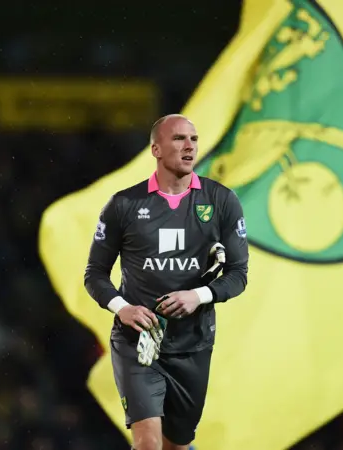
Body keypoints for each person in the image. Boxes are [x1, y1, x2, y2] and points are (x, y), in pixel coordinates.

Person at [84, 114, 249, 450]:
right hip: (139, 343)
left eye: (193, 138)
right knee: (148, 444)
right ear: (156, 149)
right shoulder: (125, 205)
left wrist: (199, 296)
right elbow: (95, 274)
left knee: (176, 445)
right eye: (178, 139)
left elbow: (238, 274)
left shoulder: (220, 202)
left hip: (193, 344)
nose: (189, 145)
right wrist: (123, 308)